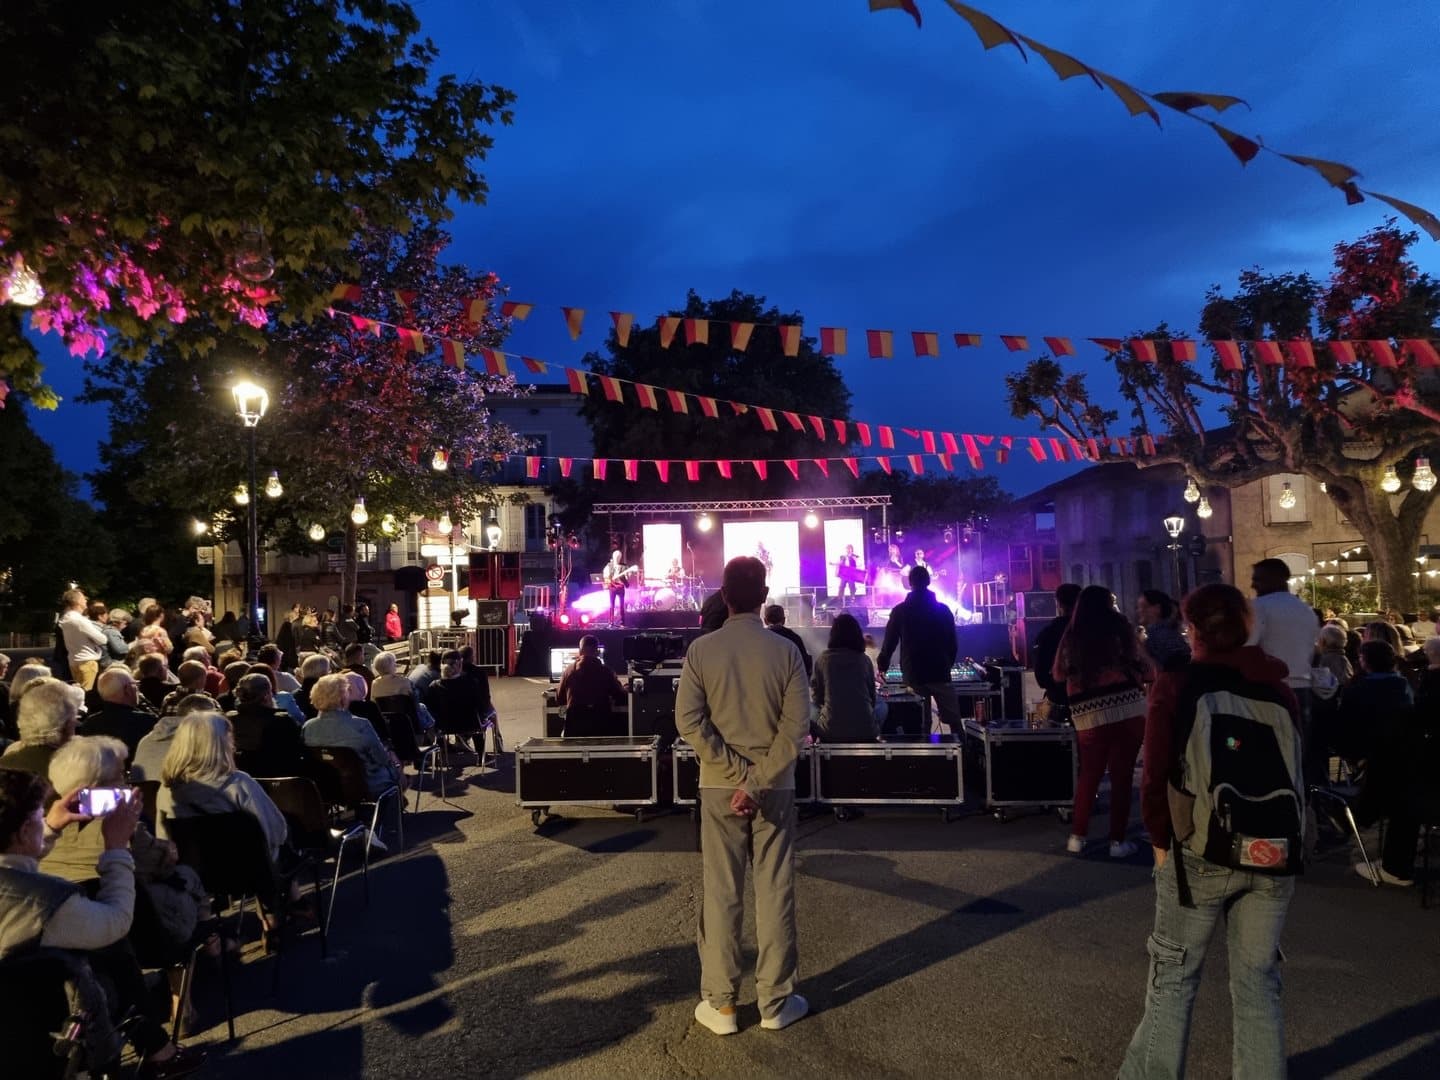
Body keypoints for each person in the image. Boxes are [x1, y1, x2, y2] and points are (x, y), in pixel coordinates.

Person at [1120, 584, 1299, 1079]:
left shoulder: (1178, 685)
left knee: (1173, 981)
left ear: (1193, 631)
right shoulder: (1278, 688)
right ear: (1245, 626)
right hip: (1272, 849)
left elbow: (1154, 774)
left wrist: (1160, 843)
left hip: (1199, 848)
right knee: (1259, 984)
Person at [675, 556, 810, 1035]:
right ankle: (776, 1001)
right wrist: (757, 780)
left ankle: (723, 1004)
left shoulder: (702, 650)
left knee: (722, 891)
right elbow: (797, 726)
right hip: (775, 788)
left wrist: (734, 775)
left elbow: (689, 721)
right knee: (775, 890)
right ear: (765, 593)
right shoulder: (787, 652)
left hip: (717, 787)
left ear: (724, 595)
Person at [0, 768, 208, 1078]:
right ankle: (156, 1048)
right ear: (21, 833)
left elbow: (12, 865)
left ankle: (156, 1048)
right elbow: (117, 921)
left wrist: (51, 827)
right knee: (112, 947)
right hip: (48, 1019)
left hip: (12, 1021)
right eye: (38, 817)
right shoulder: (49, 902)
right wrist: (116, 849)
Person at [1053, 585, 1148, 857]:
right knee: (1122, 776)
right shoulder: (1120, 627)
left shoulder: (1072, 634)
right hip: (1127, 708)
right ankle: (1117, 842)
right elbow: (1140, 662)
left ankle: (1077, 836)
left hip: (1088, 712)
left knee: (1089, 775)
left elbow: (1058, 673)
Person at [157, 712, 289, 864]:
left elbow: (163, 838)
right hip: (247, 871)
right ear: (221, 744)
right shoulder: (239, 784)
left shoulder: (166, 791)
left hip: (192, 872)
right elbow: (276, 833)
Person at [1247, 558, 1319, 785]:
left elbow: (1248, 649)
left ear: (1274, 579)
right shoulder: (1306, 611)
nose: (1253, 584)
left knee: (1268, 756)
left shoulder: (1258, 608)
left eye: (1258, 579)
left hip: (1268, 690)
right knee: (1298, 754)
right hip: (1303, 688)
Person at [876, 566, 959, 735]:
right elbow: (953, 643)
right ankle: (966, 758)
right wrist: (946, 664)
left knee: (921, 723)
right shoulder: (943, 610)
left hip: (914, 673)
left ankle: (924, 758)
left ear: (909, 583)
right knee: (955, 723)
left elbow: (889, 643)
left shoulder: (900, 611)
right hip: (940, 671)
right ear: (929, 581)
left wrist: (882, 666)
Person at [303, 674, 403, 804]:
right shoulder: (360, 725)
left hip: (327, 788)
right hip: (365, 784)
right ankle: (395, 812)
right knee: (395, 768)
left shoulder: (308, 727)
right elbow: (381, 758)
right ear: (342, 699)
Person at [1335, 640, 1413, 768]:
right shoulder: (1402, 684)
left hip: (1365, 745)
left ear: (1366, 661)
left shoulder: (1358, 687)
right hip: (1399, 743)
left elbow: (1346, 720)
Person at [811, 613, 879, 741]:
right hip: (866, 730)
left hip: (830, 731)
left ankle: (814, 743)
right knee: (883, 706)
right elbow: (872, 698)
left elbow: (817, 697)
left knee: (810, 708)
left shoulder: (823, 659)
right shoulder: (864, 660)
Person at [1, 678, 84, 780]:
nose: (75, 723)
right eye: (73, 719)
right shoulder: (77, 768)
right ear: (64, 726)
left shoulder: (6, 762)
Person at [228, 673, 307, 779]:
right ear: (266, 695)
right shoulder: (282, 721)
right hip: (278, 783)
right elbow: (296, 753)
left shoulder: (228, 720)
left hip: (239, 782)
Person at [556, 636, 627, 737]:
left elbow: (559, 699)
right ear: (597, 652)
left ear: (580, 651)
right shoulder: (606, 671)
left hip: (574, 731)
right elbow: (619, 695)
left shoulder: (568, 671)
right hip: (601, 729)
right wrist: (626, 688)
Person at [1031, 583, 1081, 721]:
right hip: (1091, 706)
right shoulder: (1093, 632)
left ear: (1058, 604)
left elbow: (1041, 678)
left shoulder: (1048, 634)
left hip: (1059, 704)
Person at [85, 667, 157, 759]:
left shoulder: (89, 724)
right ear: (127, 689)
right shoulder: (146, 722)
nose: (137, 689)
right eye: (135, 684)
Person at [58, 588, 108, 691]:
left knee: (78, 692)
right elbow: (102, 640)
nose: (86, 600)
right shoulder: (80, 620)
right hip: (87, 662)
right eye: (83, 598)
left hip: (74, 661)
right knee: (86, 694)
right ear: (77, 602)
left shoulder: (66, 618)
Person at [1136, 590, 1191, 675]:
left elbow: (1170, 671)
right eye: (1139, 607)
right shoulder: (1168, 632)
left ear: (1157, 609)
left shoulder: (1160, 635)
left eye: (1144, 606)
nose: (1139, 611)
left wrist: (1142, 652)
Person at [763, 604, 813, 678]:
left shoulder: (759, 638)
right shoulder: (795, 638)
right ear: (783, 620)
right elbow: (805, 665)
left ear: (765, 620)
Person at [603, 550, 632, 626]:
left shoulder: (624, 566)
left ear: (620, 557)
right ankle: (611, 621)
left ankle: (622, 622)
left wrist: (625, 577)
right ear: (613, 556)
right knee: (611, 605)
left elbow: (628, 576)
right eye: (616, 556)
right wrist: (609, 580)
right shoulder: (609, 566)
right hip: (612, 587)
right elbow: (605, 575)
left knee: (621, 605)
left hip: (621, 587)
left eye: (618, 557)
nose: (617, 558)